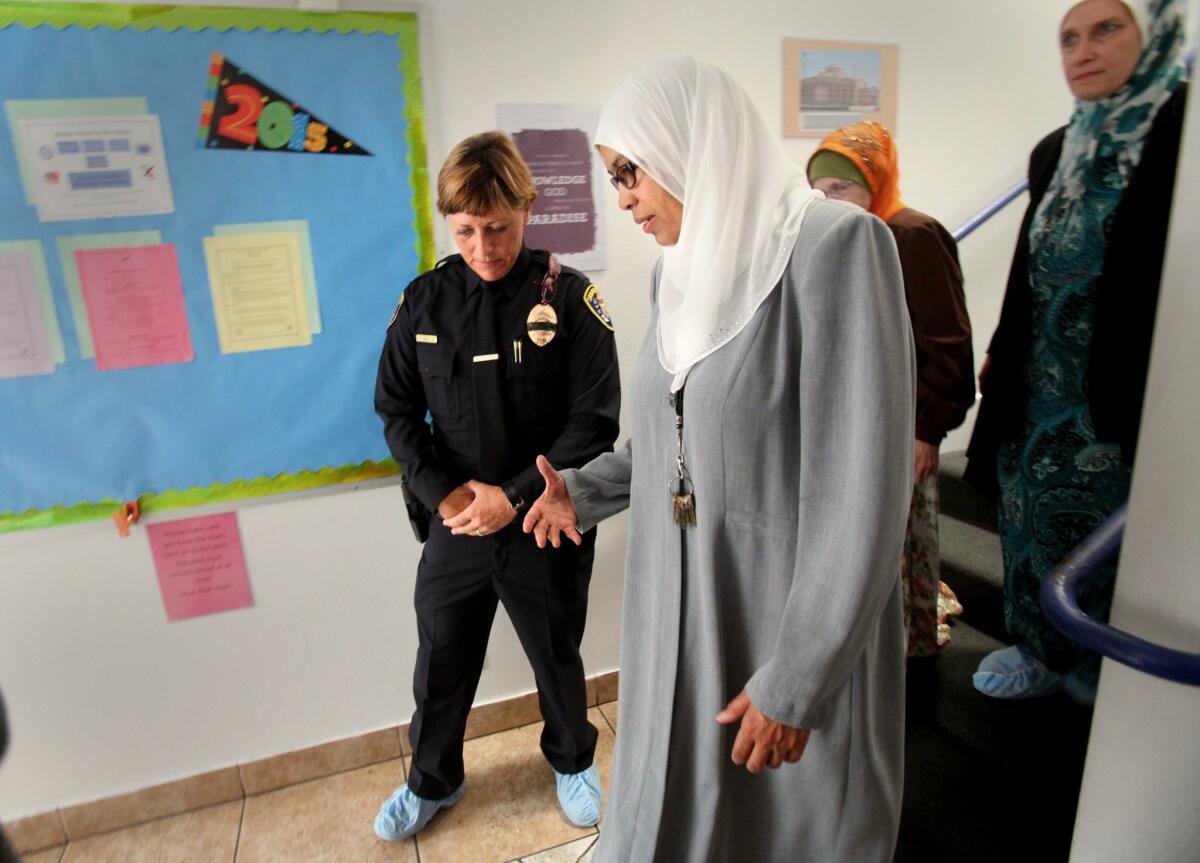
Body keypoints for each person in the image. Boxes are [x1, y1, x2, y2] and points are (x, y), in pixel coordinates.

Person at [523, 58, 915, 862]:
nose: (624, 197)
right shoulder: (682, 272)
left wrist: (798, 676)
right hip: (681, 615)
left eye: (630, 172)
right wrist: (584, 491)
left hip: (777, 624)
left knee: (779, 828)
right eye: (613, 178)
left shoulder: (837, 247)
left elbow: (864, 490)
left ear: (687, 143)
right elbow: (674, 438)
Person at [372, 131, 621, 838]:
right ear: (449, 224)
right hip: (456, 524)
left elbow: (593, 422)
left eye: (499, 228)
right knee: (442, 659)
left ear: (527, 208)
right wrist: (448, 496)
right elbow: (394, 409)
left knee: (556, 654)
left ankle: (573, 759)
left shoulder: (570, 299)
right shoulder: (423, 303)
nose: (483, 246)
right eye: (467, 231)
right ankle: (432, 781)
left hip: (543, 519)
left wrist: (509, 495)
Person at [965, 0, 1189, 703]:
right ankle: (1041, 648)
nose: (1082, 51)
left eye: (1106, 29)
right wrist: (1002, 349)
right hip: (1039, 390)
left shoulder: (1180, 138)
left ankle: (1106, 672)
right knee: (1029, 520)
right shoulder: (1057, 149)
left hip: (1124, 395)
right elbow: (1028, 273)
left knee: (1113, 538)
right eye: (1068, 38)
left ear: (1155, 36)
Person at [808, 122, 974, 659]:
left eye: (842, 188)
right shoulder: (835, 239)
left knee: (902, 546)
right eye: (819, 189)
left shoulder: (912, 234)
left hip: (903, 429)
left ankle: (908, 655)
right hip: (852, 426)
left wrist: (928, 432)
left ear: (874, 185)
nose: (828, 200)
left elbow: (947, 341)